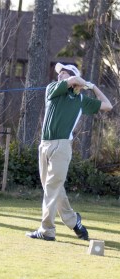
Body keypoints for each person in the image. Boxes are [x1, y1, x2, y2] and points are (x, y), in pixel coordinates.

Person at [26, 63, 113, 241]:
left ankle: (47, 231)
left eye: (63, 73)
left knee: (51, 189)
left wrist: (93, 87)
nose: (59, 76)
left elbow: (108, 105)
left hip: (62, 147)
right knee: (54, 190)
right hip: (44, 145)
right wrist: (79, 82)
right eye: (59, 74)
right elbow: (72, 80)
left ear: (73, 77)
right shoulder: (53, 89)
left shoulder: (81, 100)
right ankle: (74, 222)